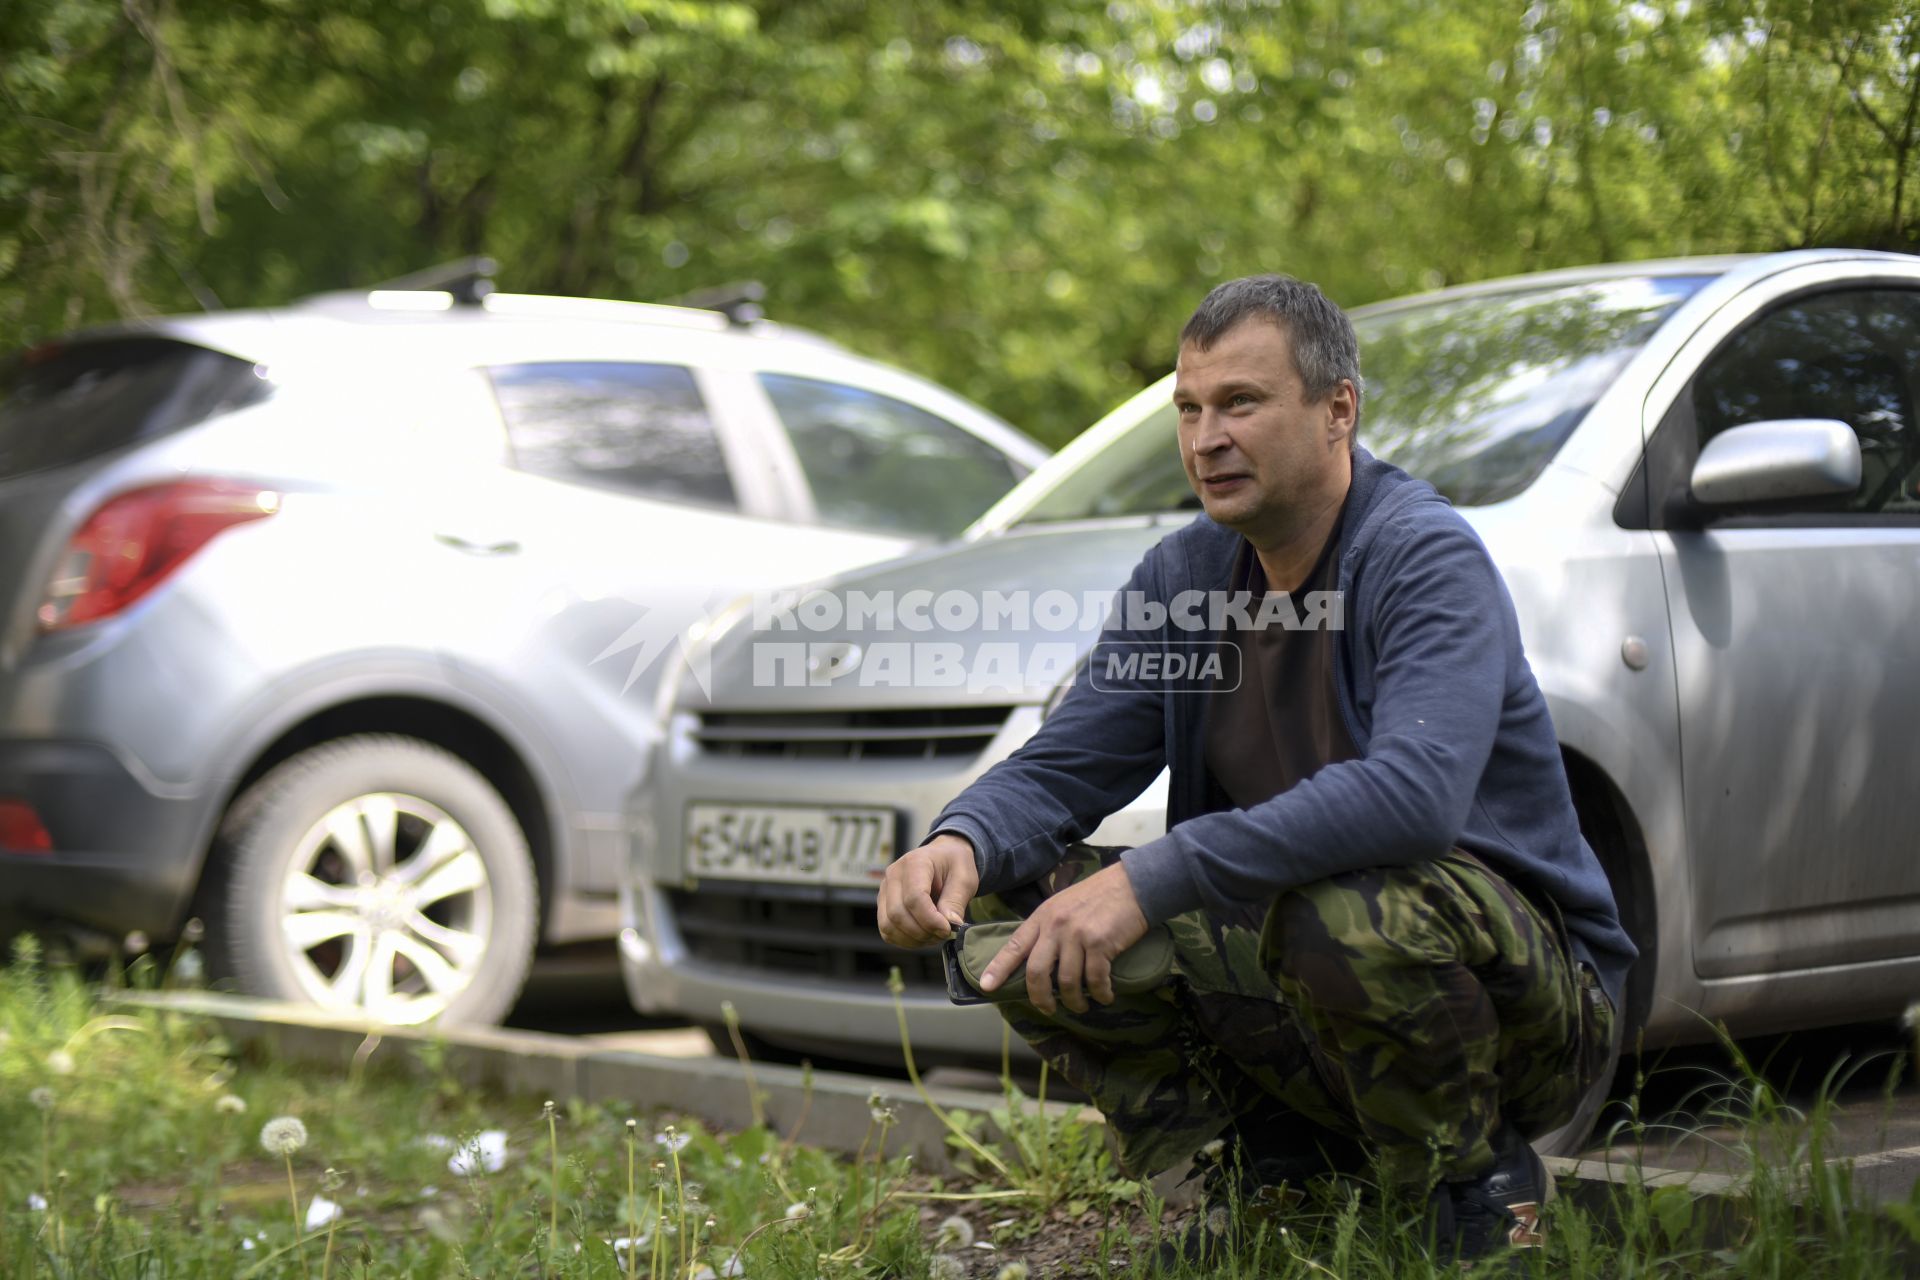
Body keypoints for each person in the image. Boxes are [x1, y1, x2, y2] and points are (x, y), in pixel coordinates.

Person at [875, 274, 1635, 1264]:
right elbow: (1069, 760)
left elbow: (1414, 796)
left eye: (1240, 402)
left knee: (1346, 904)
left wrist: (1152, 875)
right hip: (1311, 960)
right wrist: (957, 839)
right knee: (1014, 894)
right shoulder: (1188, 577)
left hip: (1532, 1004)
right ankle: (1277, 1169)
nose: (1205, 438)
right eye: (1188, 408)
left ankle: (1477, 1184)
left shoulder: (1422, 554)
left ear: (1337, 410)